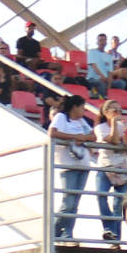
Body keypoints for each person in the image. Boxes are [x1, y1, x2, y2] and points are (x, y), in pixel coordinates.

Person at [50, 94, 94, 239]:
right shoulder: (61, 118)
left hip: (83, 164)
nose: (84, 110)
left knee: (75, 202)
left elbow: (92, 136)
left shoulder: (82, 121)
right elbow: (53, 132)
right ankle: (54, 231)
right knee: (68, 202)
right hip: (67, 164)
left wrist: (83, 138)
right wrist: (75, 137)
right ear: (75, 107)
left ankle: (68, 233)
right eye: (82, 107)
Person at [94, 98, 127, 244]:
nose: (118, 113)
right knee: (101, 196)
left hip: (123, 168)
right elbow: (114, 141)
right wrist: (115, 125)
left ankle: (115, 237)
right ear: (106, 112)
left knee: (119, 204)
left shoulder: (124, 126)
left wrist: (125, 131)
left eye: (120, 110)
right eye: (115, 110)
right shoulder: (100, 127)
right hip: (105, 167)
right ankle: (109, 228)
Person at [85, 32, 113, 99]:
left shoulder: (109, 56)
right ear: (97, 42)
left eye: (104, 40)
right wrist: (102, 77)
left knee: (121, 83)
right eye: (100, 40)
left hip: (105, 79)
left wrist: (109, 85)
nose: (102, 42)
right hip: (92, 79)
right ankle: (102, 100)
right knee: (101, 83)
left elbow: (110, 72)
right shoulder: (92, 52)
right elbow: (94, 66)